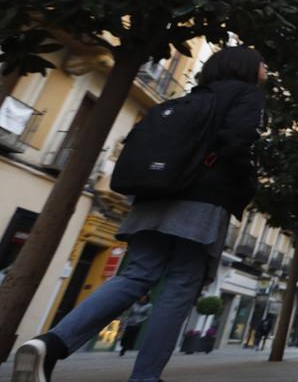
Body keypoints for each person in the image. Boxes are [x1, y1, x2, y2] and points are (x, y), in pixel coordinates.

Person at [13, 46, 267, 382]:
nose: (267, 68)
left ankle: (51, 344)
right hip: (201, 201)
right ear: (247, 67)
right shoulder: (247, 94)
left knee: (135, 275)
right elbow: (237, 144)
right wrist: (247, 183)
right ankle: (145, 378)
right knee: (181, 284)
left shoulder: (188, 99)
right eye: (263, 63)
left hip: (153, 196)